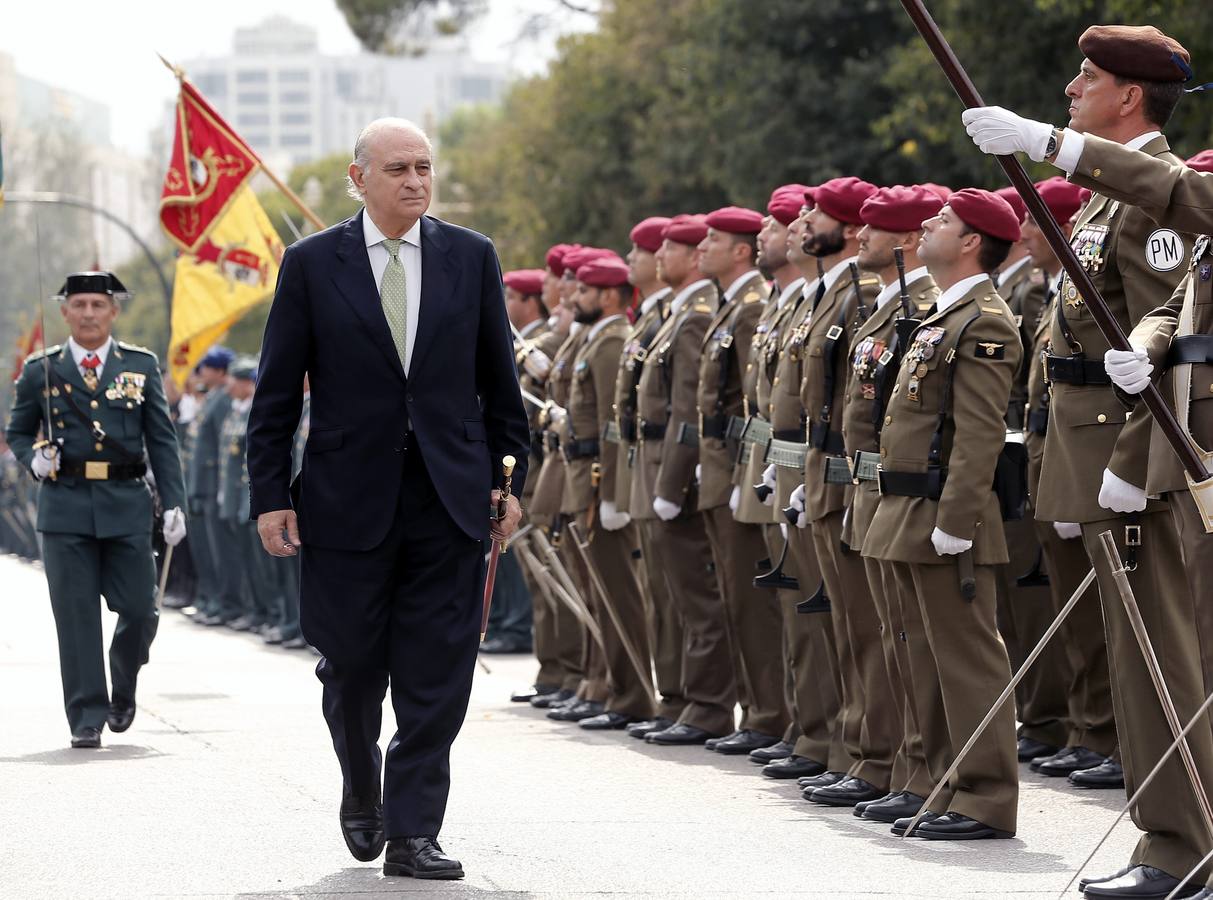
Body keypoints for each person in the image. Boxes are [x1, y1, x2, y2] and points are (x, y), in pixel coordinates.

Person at [963, 25, 1213, 896]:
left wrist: (1133, 461)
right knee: (1137, 659)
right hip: (1105, 458)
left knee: (1160, 665)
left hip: (1147, 468)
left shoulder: (1156, 194)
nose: (1071, 87)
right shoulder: (1114, 197)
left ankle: (1184, 849)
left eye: (1087, 77)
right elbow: (1163, 321)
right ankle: (1167, 843)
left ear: (1129, 97)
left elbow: (1183, 360)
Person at [246, 117, 529, 881]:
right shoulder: (311, 264)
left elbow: (500, 384)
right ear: (358, 177)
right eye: (398, 168)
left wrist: (510, 483)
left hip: (449, 494)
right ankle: (359, 777)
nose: (414, 181)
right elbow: (275, 393)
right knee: (351, 667)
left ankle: (412, 830)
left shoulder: (470, 258)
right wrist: (270, 494)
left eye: (424, 167)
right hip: (345, 500)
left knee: (439, 667)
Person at [863, 189, 1023, 841]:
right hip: (907, 505)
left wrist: (956, 519)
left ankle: (984, 797)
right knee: (920, 654)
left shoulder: (983, 319)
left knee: (964, 658)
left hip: (945, 513)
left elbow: (979, 434)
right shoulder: (940, 314)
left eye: (943, 220)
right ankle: (934, 780)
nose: (927, 224)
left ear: (968, 243)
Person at [5, 271, 187, 749]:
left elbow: (162, 442)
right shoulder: (40, 369)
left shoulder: (140, 366)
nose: (88, 313)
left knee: (141, 610)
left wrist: (175, 504)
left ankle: (122, 684)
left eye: (97, 305)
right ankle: (86, 714)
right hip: (64, 506)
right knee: (76, 615)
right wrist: (34, 457)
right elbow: (19, 431)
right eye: (79, 304)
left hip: (126, 504)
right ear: (65, 311)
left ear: (113, 312)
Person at [789, 176, 892, 808]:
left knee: (867, 624)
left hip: (846, 472)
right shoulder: (829, 292)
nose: (804, 221)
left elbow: (860, 404)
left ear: (852, 228)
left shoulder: (863, 293)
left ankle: (874, 756)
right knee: (847, 622)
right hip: (822, 470)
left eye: (817, 213)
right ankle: (854, 751)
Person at [844, 184, 941, 824]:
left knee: (919, 641)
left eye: (873, 230)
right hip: (870, 485)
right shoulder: (887, 306)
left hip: (908, 492)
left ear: (906, 241)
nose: (860, 238)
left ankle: (924, 773)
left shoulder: (925, 307)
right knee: (889, 634)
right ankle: (898, 768)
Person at [695, 206, 788, 755]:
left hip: (746, 466)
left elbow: (753, 404)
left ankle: (770, 714)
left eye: (713, 240)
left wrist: (737, 471)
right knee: (737, 599)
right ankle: (759, 712)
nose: (704, 247)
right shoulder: (734, 309)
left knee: (757, 604)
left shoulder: (751, 309)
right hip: (735, 467)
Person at [558, 253, 658, 729]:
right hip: (582, 478)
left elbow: (608, 425)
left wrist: (610, 491)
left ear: (610, 296)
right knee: (598, 591)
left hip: (597, 481)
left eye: (584, 290)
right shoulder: (596, 339)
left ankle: (631, 693)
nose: (574, 297)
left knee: (618, 592)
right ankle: (606, 685)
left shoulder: (611, 341)